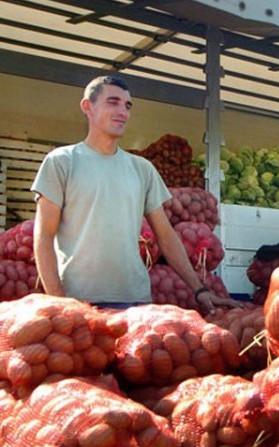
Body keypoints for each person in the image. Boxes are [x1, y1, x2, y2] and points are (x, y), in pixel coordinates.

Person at [31, 75, 238, 313]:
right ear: (87, 107)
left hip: (136, 303)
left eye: (127, 105)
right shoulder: (62, 162)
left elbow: (166, 236)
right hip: (80, 302)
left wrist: (200, 290)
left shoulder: (142, 169)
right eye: (113, 102)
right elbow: (43, 235)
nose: (123, 111)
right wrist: (59, 302)